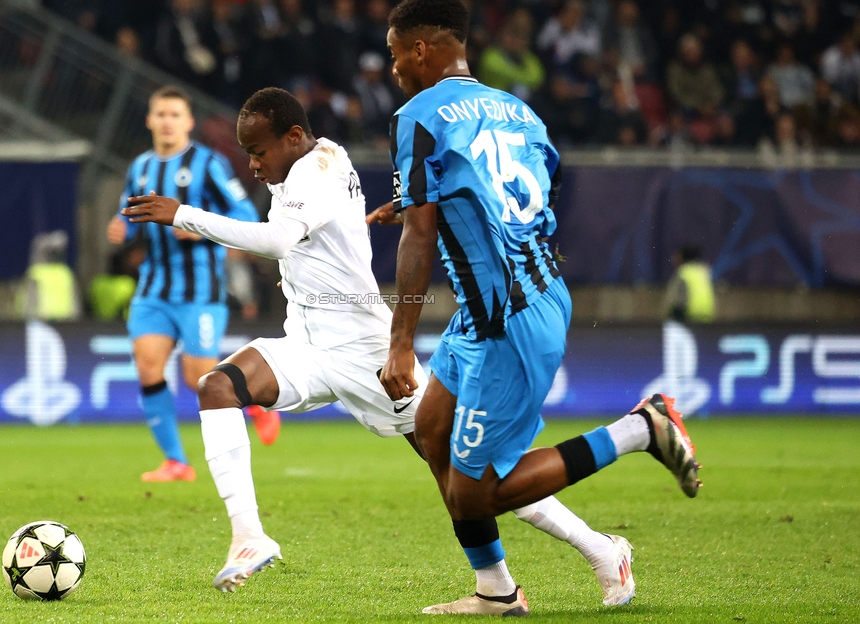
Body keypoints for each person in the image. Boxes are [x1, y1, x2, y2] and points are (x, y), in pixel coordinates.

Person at [123, 87, 641, 605]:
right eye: (248, 154)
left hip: (365, 351)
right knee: (218, 386)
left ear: (295, 137)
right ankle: (248, 536)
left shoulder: (318, 166)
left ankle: (595, 551)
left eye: (258, 152)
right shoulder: (306, 162)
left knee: (465, 474)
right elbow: (306, 239)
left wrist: (182, 214)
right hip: (306, 343)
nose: (254, 165)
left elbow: (278, 238)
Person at [371, 0, 701, 616]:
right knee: (432, 432)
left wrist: (399, 340)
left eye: (394, 56)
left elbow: (420, 233)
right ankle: (496, 592)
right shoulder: (521, 113)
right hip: (500, 302)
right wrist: (426, 207)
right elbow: (518, 200)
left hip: (510, 319)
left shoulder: (418, 114)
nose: (393, 70)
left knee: (479, 492)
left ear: (420, 49)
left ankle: (641, 429)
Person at [106, 85, 280, 484]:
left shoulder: (208, 163)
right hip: (153, 288)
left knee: (197, 377)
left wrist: (201, 229)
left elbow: (242, 211)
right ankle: (176, 462)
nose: (167, 122)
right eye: (160, 114)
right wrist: (121, 223)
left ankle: (254, 405)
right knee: (148, 364)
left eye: (174, 115)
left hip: (200, 290)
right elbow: (128, 207)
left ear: (188, 122)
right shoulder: (142, 167)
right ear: (150, 120)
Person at [665, 245, 715, 324]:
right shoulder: (704, 272)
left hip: (689, 316)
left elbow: (676, 300)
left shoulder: (683, 272)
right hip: (707, 315)